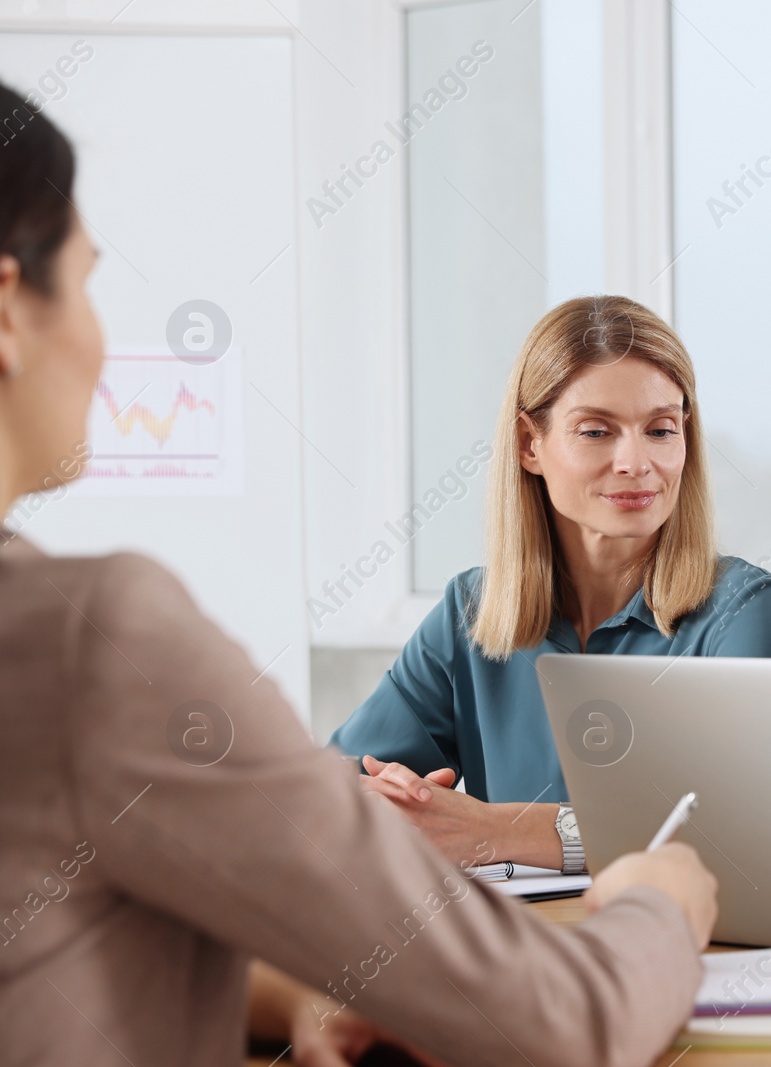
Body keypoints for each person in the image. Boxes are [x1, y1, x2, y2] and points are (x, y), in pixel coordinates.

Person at [0, 83, 717, 1066]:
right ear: (8, 305)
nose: (98, 341)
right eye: (84, 285)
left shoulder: (736, 599)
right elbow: (565, 1022)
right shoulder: (91, 635)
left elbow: (57, 949)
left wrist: (288, 989)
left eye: (659, 428)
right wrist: (658, 902)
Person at [332, 295, 771, 873]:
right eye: (597, 431)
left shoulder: (744, 611)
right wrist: (398, 805)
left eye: (660, 429)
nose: (636, 461)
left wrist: (495, 830)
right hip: (511, 951)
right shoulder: (469, 610)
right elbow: (329, 792)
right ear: (530, 444)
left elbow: (746, 826)